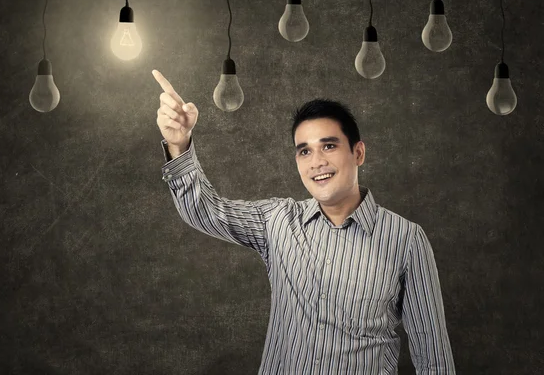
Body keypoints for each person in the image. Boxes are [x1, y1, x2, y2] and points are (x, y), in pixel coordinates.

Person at [153, 69, 456, 375]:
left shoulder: (406, 239)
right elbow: (205, 210)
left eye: (329, 146)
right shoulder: (278, 221)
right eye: (304, 151)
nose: (317, 162)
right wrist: (179, 145)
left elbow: (433, 358)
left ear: (358, 152)